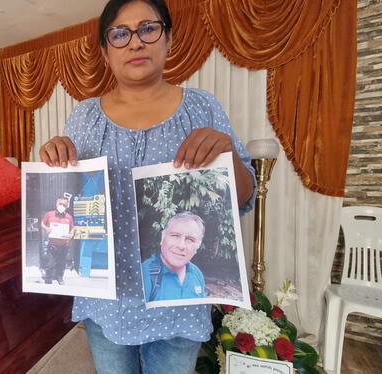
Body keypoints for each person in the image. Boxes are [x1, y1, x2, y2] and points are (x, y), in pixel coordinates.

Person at [39, 0, 256, 372]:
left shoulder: (201, 108)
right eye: (120, 34)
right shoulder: (85, 116)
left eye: (148, 29)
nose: (135, 43)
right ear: (106, 51)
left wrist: (227, 155)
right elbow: (72, 197)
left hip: (178, 304)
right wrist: (55, 161)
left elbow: (245, 196)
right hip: (107, 299)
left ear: (168, 38)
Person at [142, 212, 206, 302]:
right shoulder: (144, 273)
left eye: (190, 239)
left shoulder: (196, 273)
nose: (181, 246)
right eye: (175, 236)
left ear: (197, 247)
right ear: (162, 238)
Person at [41, 197, 75, 285]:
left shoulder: (69, 217)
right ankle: (48, 280)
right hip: (52, 245)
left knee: (61, 264)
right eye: (60, 204)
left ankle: (60, 278)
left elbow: (72, 228)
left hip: (64, 245)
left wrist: (71, 234)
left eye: (64, 204)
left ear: (67, 206)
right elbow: (42, 223)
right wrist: (46, 228)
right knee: (50, 264)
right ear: (56, 204)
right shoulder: (49, 214)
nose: (62, 206)